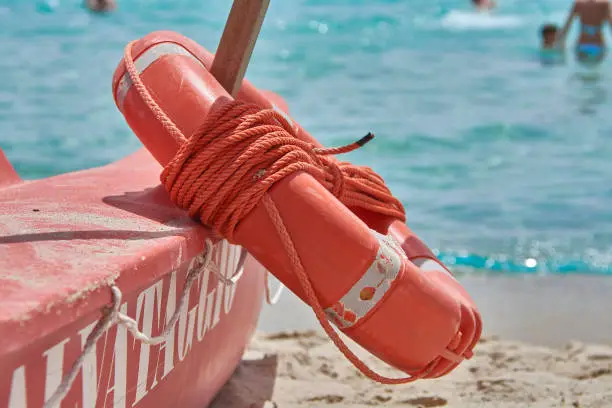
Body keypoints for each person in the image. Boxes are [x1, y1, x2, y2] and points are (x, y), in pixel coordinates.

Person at [555, 0, 612, 64]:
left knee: (581, 71)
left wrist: (559, 42)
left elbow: (567, 24)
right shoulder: (605, 4)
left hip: (582, 43)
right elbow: (610, 24)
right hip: (598, 44)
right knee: (597, 71)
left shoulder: (578, 3)